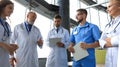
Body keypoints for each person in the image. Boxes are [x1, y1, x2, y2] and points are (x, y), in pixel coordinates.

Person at [99, 0, 120, 67]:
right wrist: (107, 43)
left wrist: (111, 41)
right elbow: (101, 40)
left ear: (119, 7)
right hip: (108, 59)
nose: (107, 9)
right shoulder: (108, 25)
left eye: (109, 7)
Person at [0, 0, 18, 67]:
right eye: (10, 8)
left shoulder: (7, 25)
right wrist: (5, 45)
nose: (12, 11)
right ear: (2, 7)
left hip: (4, 58)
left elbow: (3, 40)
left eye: (13, 9)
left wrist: (10, 45)